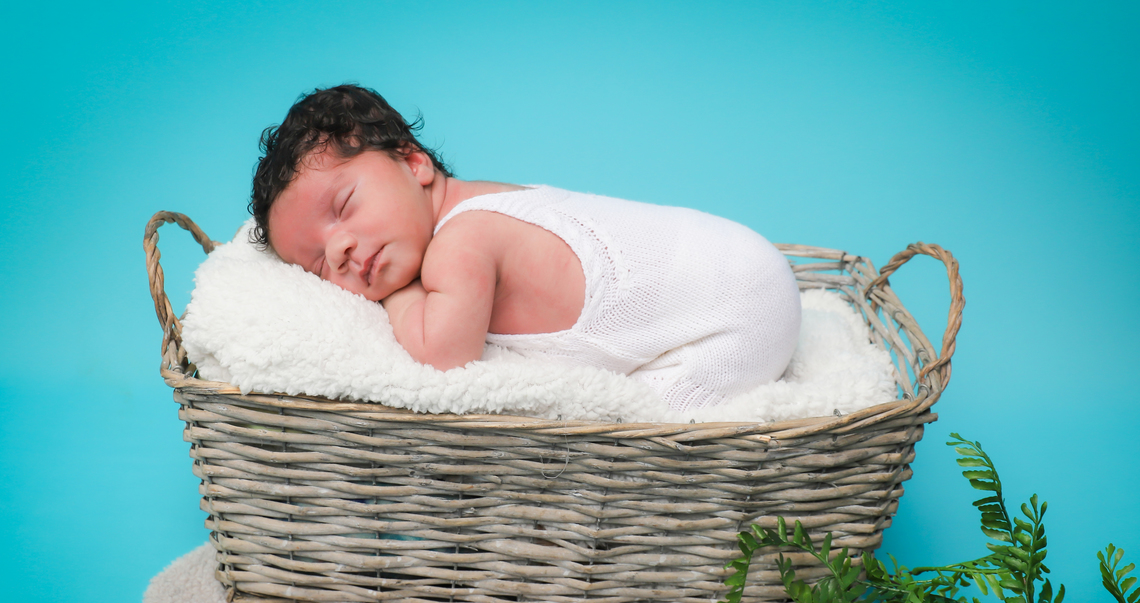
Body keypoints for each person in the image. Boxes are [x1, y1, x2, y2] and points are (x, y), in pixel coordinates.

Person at [252, 85, 801, 411]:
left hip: (739, 315)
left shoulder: (464, 242)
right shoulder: (485, 198)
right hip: (740, 265)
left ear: (413, 162)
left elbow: (441, 357)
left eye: (344, 205)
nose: (341, 250)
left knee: (641, 441)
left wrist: (396, 295)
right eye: (318, 264)